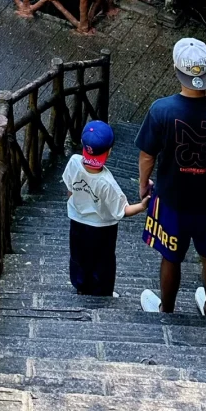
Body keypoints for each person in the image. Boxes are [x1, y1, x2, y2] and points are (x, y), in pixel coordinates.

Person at [136, 36, 206, 317]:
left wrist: (143, 184)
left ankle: (167, 309)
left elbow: (147, 155)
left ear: (176, 69)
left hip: (172, 199)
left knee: (170, 256)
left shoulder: (161, 110)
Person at [63, 119, 150, 296]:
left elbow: (70, 189)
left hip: (77, 221)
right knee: (103, 261)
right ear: (109, 152)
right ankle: (102, 292)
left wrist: (76, 204)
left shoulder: (73, 162)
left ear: (84, 146)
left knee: (79, 256)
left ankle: (81, 284)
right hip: (102, 229)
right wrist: (142, 206)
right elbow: (123, 211)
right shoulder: (107, 182)